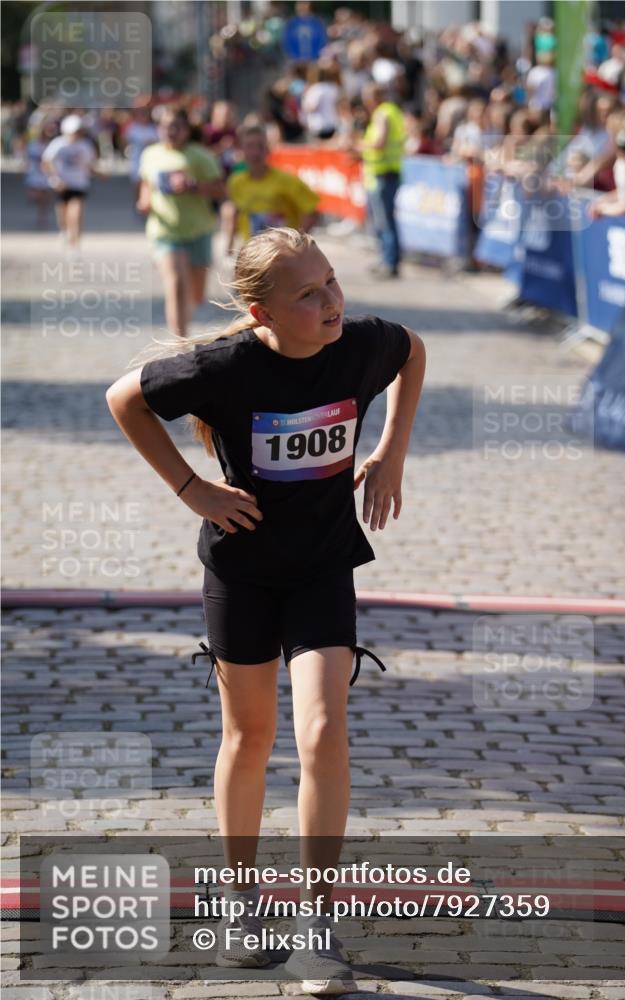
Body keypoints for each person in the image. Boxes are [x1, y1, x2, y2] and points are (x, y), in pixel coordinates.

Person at [105, 227, 425, 995]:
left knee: (321, 730)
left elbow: (413, 351)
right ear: (262, 313)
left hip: (321, 569)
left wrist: (391, 451)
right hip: (241, 573)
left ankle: (317, 927)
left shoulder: (360, 346)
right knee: (248, 737)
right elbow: (124, 399)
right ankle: (240, 903)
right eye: (308, 294)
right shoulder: (224, 366)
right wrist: (191, 489)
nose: (331, 301)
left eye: (332, 281)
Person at [137, 106, 226, 338]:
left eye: (176, 127)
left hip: (199, 230)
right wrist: (144, 201)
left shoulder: (200, 156)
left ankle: (184, 316)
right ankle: (180, 343)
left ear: (187, 130)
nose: (171, 131)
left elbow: (220, 190)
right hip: (165, 231)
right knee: (175, 284)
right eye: (166, 126)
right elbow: (146, 183)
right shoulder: (150, 154)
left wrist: (193, 185)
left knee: (196, 295)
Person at [225, 123, 319, 254]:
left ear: (267, 149)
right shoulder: (236, 182)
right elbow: (235, 211)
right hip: (252, 253)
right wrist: (230, 245)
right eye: (250, 146)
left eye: (260, 146)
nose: (255, 152)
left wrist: (297, 244)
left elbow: (312, 211)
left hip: (282, 255)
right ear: (242, 150)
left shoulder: (287, 180)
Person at [359, 82, 406, 279]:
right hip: (386, 172)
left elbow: (379, 142)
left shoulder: (382, 113)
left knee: (384, 221)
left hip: (383, 174)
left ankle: (389, 261)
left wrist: (359, 145)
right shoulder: (393, 111)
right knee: (383, 220)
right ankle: (385, 259)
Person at [41, 114, 98, 252]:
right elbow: (46, 162)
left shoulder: (85, 145)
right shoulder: (58, 144)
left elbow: (89, 165)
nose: (75, 135)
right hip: (62, 185)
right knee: (63, 214)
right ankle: (64, 231)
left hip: (79, 184)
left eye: (78, 131)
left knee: (76, 214)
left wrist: (100, 174)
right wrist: (55, 179)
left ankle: (75, 244)